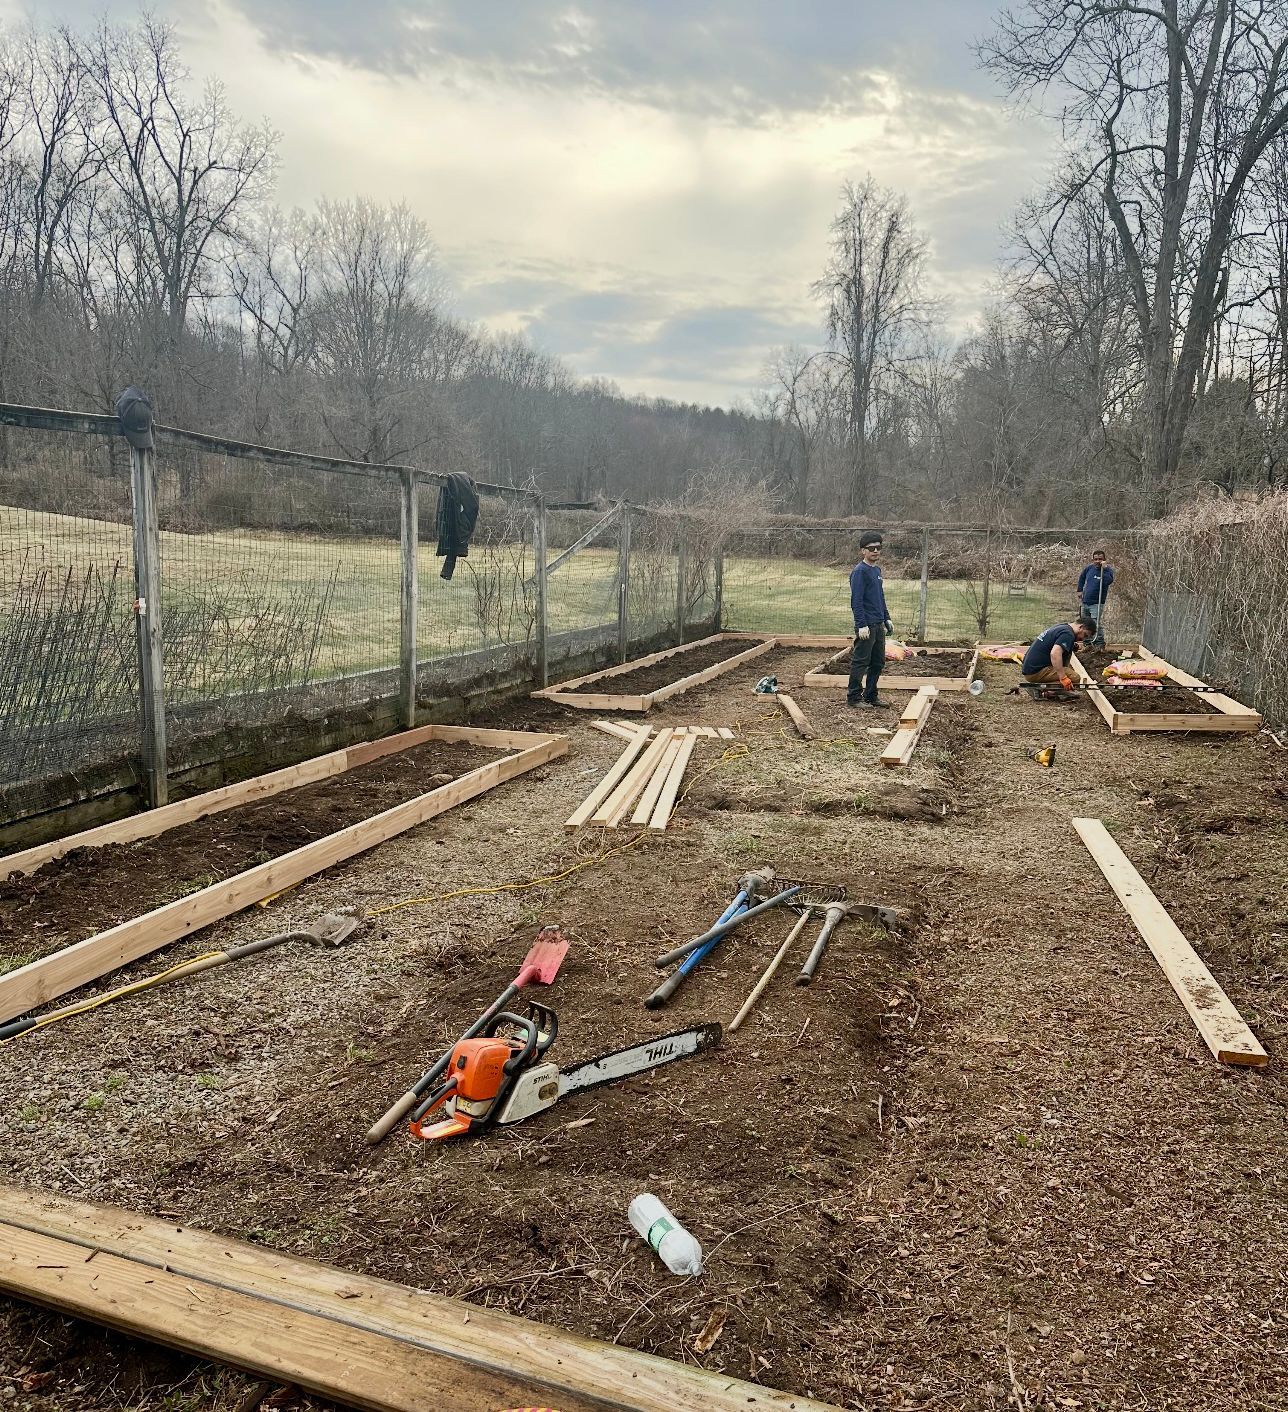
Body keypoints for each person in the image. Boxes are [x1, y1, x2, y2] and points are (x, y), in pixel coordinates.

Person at [847, 531, 894, 708]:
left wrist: (887, 618)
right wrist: (861, 625)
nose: (875, 551)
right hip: (866, 625)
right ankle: (854, 697)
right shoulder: (860, 572)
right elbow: (856, 601)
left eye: (878, 548)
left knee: (877, 662)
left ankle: (871, 695)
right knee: (861, 661)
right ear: (863, 551)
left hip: (878, 624)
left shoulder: (876, 570)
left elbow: (880, 597)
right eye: (871, 548)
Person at [1020, 616, 1097, 693]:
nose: (1083, 639)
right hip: (1035, 672)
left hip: (1031, 668)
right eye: (1085, 635)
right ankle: (1040, 689)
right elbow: (1055, 654)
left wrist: (1071, 646)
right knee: (1075, 678)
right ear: (1081, 627)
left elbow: (1053, 643)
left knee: (1068, 669)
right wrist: (1063, 677)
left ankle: (1045, 688)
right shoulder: (1068, 634)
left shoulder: (1063, 627)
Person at [1077, 550, 1114, 648]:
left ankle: (1099, 644)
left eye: (1100, 559)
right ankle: (1088, 644)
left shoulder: (1107, 570)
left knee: (1095, 623)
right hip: (1086, 601)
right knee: (1085, 623)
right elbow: (1081, 577)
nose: (1097, 561)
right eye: (1096, 559)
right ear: (1093, 560)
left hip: (1097, 603)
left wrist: (1104, 569)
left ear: (1104, 560)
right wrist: (1079, 590)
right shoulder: (1089, 568)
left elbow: (1108, 581)